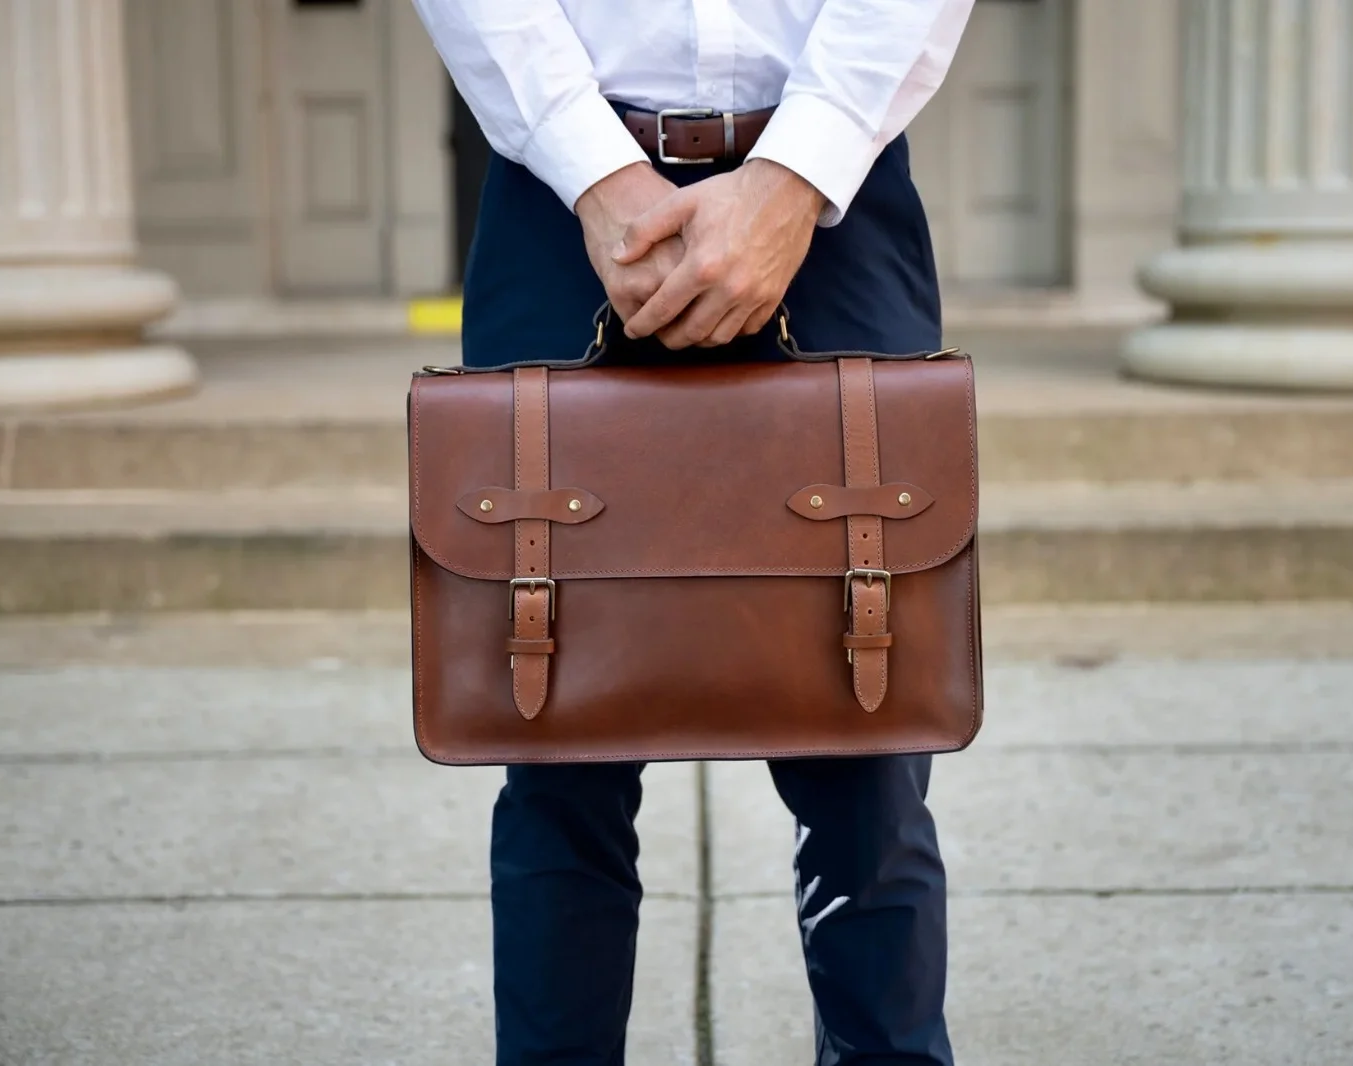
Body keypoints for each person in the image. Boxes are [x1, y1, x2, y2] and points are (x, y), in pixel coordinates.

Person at [411, 2, 978, 1062]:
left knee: (873, 744)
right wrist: (596, 173)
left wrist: (794, 173)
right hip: (556, 196)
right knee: (552, 737)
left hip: (835, 196)